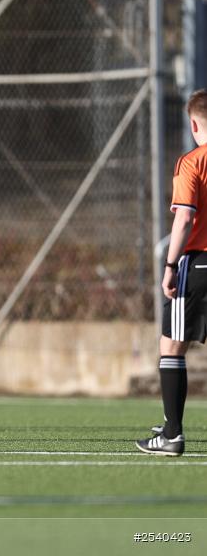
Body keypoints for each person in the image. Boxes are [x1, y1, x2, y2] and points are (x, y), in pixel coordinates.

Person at [136, 89, 207, 456]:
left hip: (197, 264)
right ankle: (168, 426)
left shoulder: (191, 162)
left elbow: (185, 217)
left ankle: (172, 434)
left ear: (194, 124)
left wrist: (168, 267)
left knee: (172, 346)